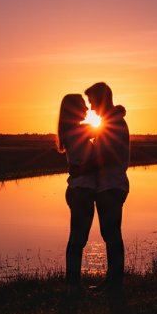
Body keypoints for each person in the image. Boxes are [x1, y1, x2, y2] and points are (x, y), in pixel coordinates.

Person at [85, 82, 129, 290]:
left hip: (111, 186)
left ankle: (114, 281)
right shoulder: (111, 122)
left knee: (111, 233)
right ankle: (113, 280)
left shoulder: (114, 124)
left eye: (92, 102)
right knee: (110, 233)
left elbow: (108, 156)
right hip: (110, 185)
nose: (91, 108)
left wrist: (83, 165)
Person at [56, 93, 98, 289]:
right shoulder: (76, 132)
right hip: (81, 191)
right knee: (77, 239)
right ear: (73, 109)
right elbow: (104, 130)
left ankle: (73, 282)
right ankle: (73, 283)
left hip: (79, 190)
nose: (87, 109)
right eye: (82, 105)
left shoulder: (73, 131)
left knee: (78, 238)